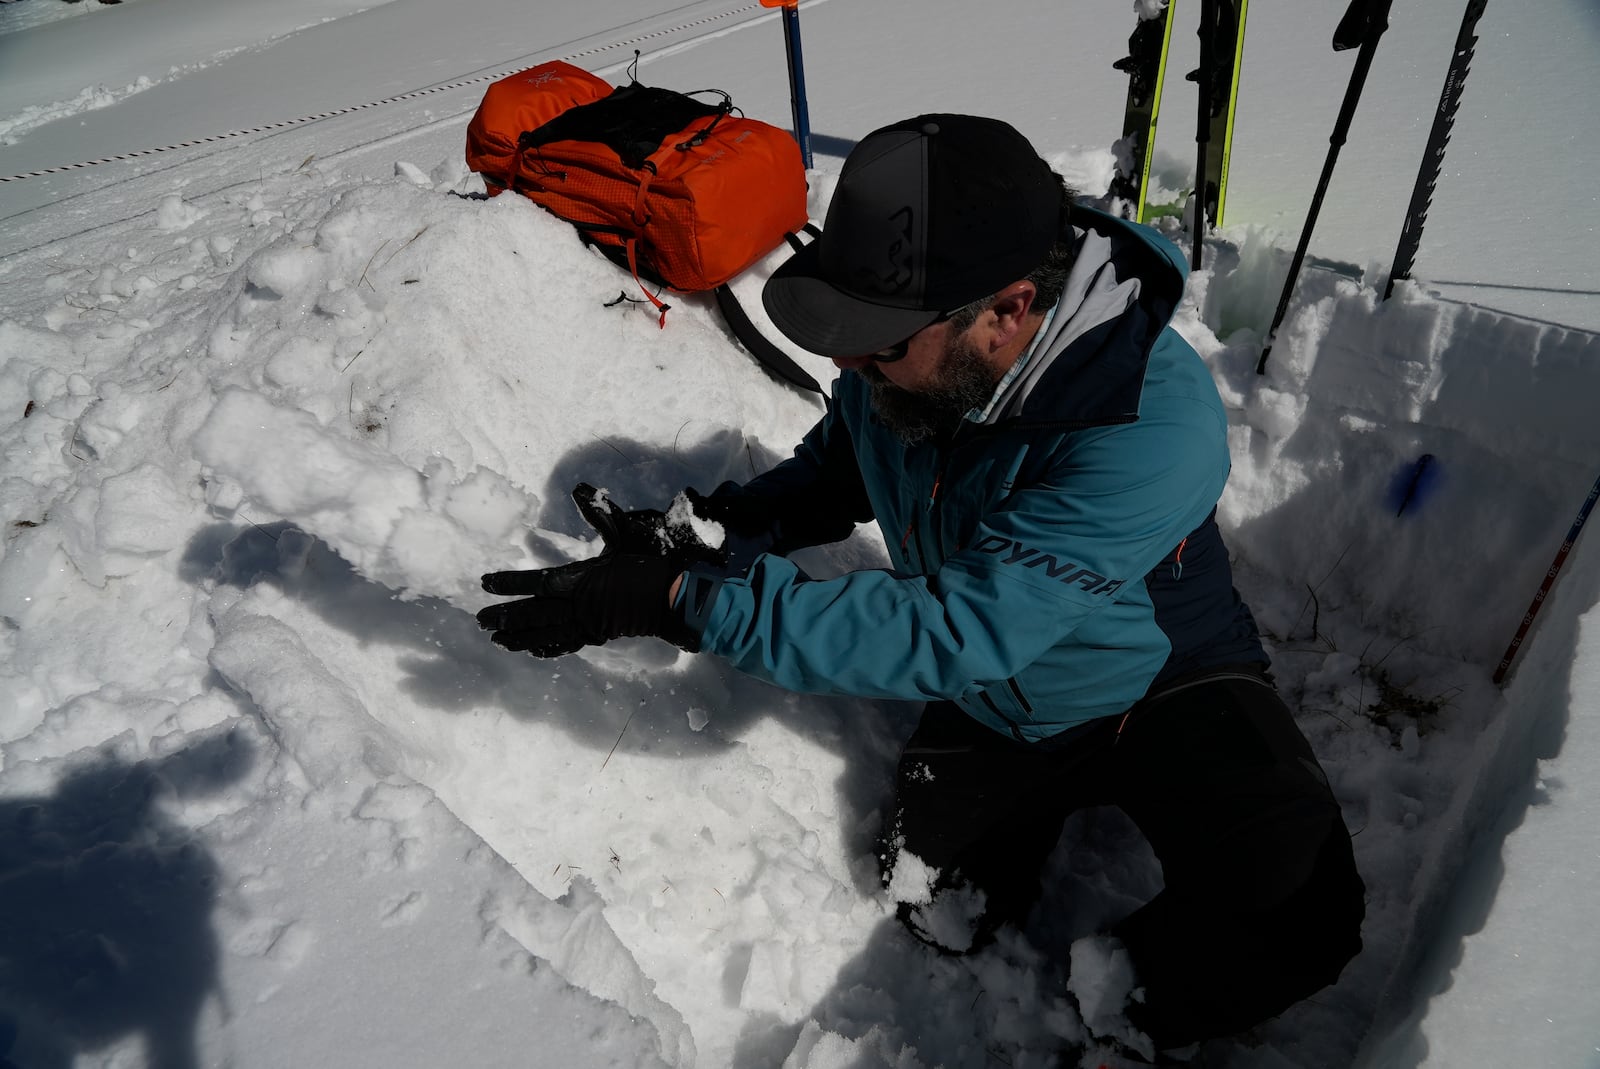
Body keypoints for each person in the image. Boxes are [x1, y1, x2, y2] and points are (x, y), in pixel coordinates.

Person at [476, 114, 1365, 1051]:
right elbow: (834, 470)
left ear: (1008, 311)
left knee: (1297, 904)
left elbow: (952, 629)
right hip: (997, 703)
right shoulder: (910, 350)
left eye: (878, 344)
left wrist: (678, 604)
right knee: (935, 900)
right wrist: (709, 535)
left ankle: (1132, 1010)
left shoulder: (1149, 424)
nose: (847, 363)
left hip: (1159, 679)